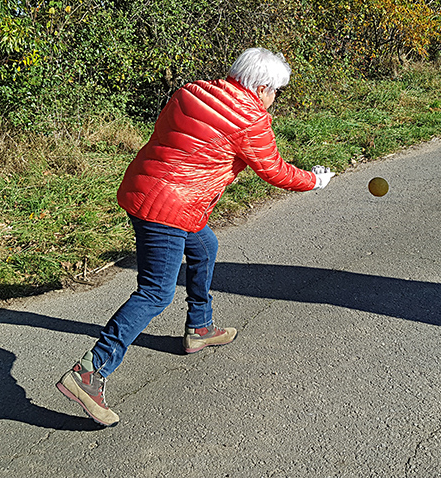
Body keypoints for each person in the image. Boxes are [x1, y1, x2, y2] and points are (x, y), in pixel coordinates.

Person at [56, 48, 335, 426]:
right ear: (263, 87)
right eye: (276, 92)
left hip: (144, 187)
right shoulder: (250, 119)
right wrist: (315, 180)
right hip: (169, 208)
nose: (274, 100)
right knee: (155, 292)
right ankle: (89, 373)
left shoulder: (191, 92)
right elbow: (275, 171)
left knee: (205, 246)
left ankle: (199, 327)